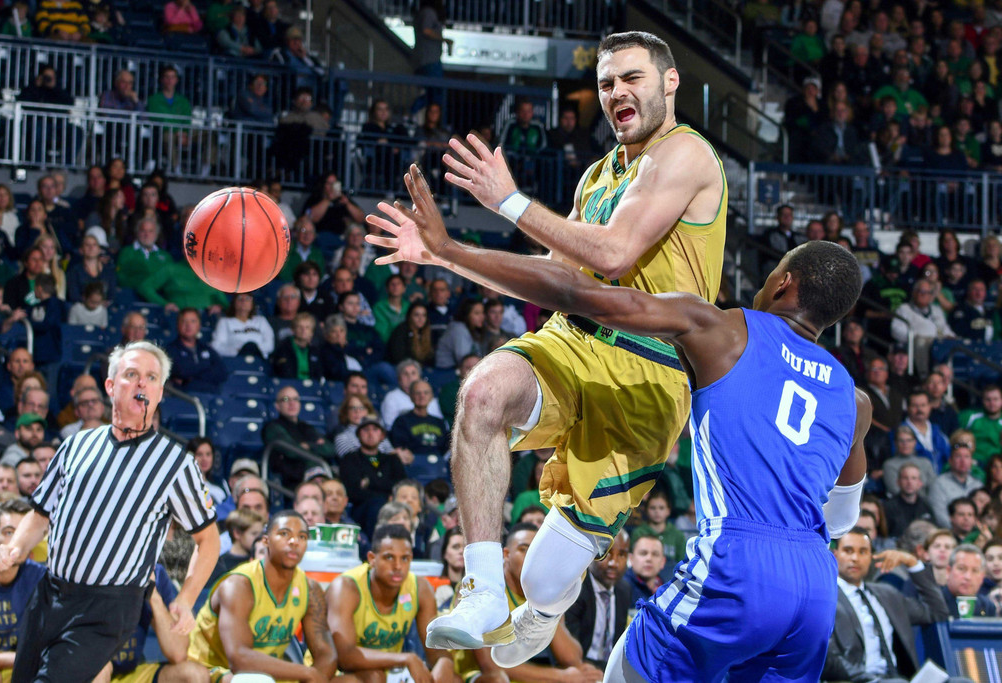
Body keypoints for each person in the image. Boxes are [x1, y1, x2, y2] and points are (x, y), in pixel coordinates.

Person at [368, 167, 868, 679]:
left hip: (740, 562)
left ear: (782, 282)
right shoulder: (856, 400)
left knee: (623, 672)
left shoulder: (726, 331)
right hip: (814, 585)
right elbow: (840, 520)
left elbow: (585, 296)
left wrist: (451, 251)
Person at [369, 31, 729, 656]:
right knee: (481, 394)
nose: (617, 92)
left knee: (542, 577)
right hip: (572, 340)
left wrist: (508, 200)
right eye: (606, 83)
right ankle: (480, 587)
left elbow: (615, 255)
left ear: (670, 83)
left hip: (648, 374)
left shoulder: (688, 155)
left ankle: (543, 609)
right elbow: (559, 273)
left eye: (632, 78)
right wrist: (446, 254)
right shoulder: (596, 175)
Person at [0, 341, 220, 681]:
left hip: (109, 606)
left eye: (151, 377)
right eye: (132, 374)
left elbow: (209, 540)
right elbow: (39, 514)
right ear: (110, 386)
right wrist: (12, 550)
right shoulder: (76, 444)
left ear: (159, 394)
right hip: (50, 592)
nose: (142, 383)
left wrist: (185, 598)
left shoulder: (176, 464)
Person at [188, 510, 337, 682]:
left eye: (302, 537)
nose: (294, 541)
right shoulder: (238, 586)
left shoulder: (310, 589)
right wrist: (307, 673)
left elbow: (326, 654)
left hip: (267, 673)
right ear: (265, 540)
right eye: (284, 534)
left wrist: (315, 678)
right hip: (211, 672)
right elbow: (239, 660)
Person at [452, 523, 601, 683]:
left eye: (537, 554)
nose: (531, 559)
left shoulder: (544, 590)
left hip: (531, 675)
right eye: (524, 550)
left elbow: (571, 659)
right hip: (475, 676)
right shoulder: (482, 587)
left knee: (590, 675)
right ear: (506, 554)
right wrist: (561, 676)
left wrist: (547, 607)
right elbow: (491, 664)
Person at [326, 523, 454, 683]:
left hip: (390, 672)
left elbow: (434, 650)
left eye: (405, 558)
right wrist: (405, 659)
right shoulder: (346, 587)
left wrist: (445, 662)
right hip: (334, 674)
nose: (398, 566)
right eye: (389, 557)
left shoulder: (420, 588)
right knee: (374, 677)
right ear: (372, 559)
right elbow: (345, 657)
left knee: (452, 679)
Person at [823, 528, 950, 681]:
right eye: (848, 551)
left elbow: (936, 612)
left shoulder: (888, 595)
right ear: (835, 555)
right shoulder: (826, 598)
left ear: (871, 557)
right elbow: (828, 658)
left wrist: (912, 563)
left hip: (899, 678)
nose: (855, 558)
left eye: (863, 552)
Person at [0, 497, 47, 681]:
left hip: (23, 665)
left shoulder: (41, 577)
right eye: (9, 533)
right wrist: (15, 658)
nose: (16, 544)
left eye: (23, 535)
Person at [564, 529, 633, 671]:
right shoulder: (575, 588)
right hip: (578, 668)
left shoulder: (624, 590)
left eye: (621, 554)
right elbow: (566, 651)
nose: (614, 563)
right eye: (607, 553)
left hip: (609, 669)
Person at [166, 308, 229, 392]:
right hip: (184, 397)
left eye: (193, 321)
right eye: (184, 321)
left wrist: (191, 378)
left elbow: (222, 373)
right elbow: (181, 371)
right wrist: (206, 367)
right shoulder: (170, 349)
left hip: (210, 395)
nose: (188, 325)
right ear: (178, 325)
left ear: (199, 325)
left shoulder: (207, 349)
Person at [941, 544, 997, 617]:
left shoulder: (987, 607)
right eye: (961, 569)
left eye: (975, 571)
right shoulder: (933, 603)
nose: (968, 577)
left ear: (982, 577)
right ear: (948, 571)